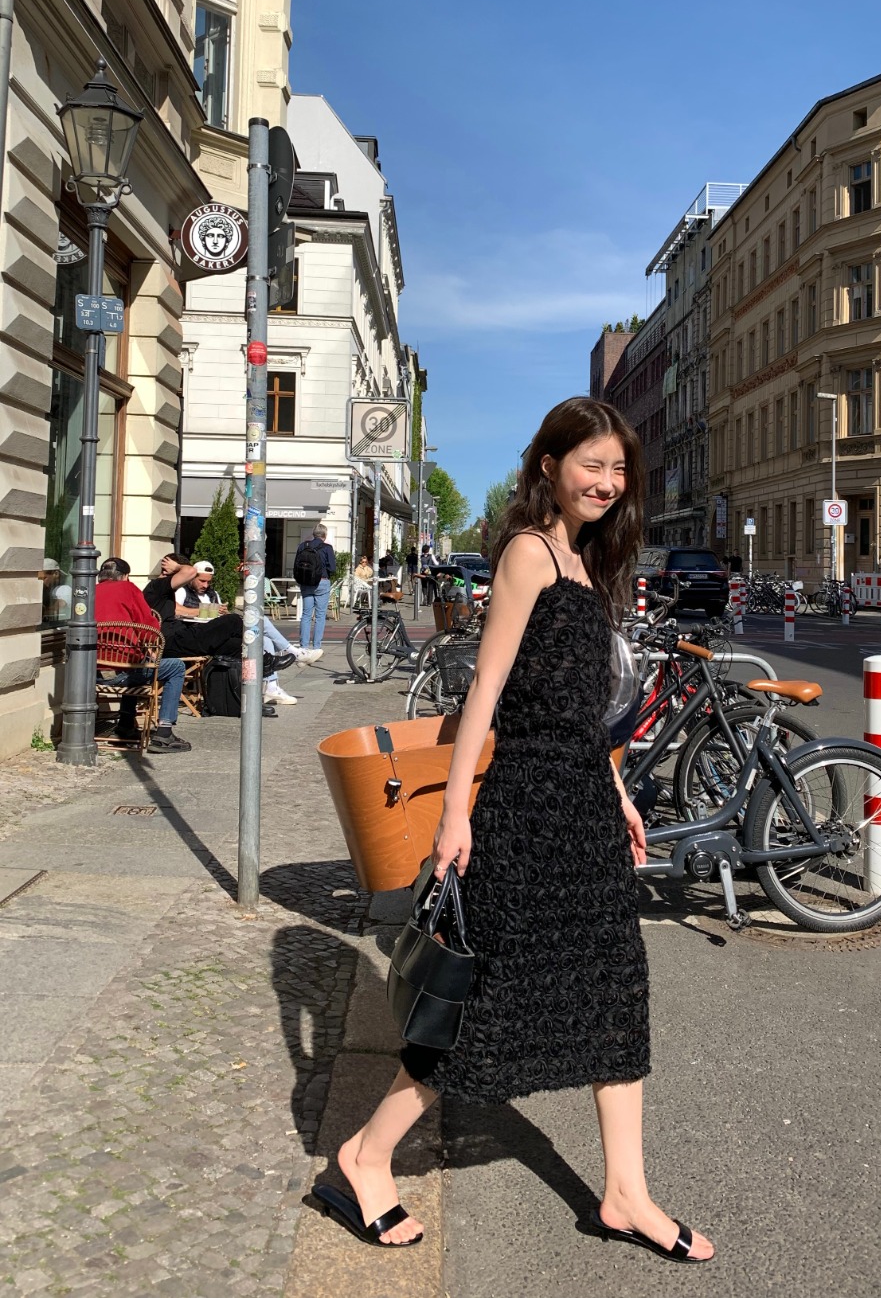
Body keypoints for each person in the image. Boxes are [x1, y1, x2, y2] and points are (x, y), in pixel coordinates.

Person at [316, 397, 714, 1264]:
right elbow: (485, 693)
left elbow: (583, 711)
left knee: (615, 989)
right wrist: (455, 813)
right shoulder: (531, 553)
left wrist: (618, 791)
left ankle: (625, 1191)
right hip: (526, 811)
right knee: (484, 998)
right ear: (549, 465)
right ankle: (365, 1156)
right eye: (591, 464)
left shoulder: (587, 562)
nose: (607, 482)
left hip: (583, 807)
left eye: (618, 469)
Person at [178, 561, 310, 705]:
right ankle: (292, 652)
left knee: (264, 640)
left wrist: (223, 612)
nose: (205, 585)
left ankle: (271, 686)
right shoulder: (182, 591)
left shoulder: (212, 594)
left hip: (218, 636)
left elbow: (221, 617)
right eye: (202, 581)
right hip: (198, 638)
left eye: (208, 582)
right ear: (192, 578)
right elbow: (176, 610)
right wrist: (202, 610)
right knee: (258, 621)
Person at [94, 558, 191, 752]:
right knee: (175, 667)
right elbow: (150, 630)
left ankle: (125, 725)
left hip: (93, 672)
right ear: (125, 576)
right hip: (123, 673)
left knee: (136, 661)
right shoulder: (128, 589)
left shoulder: (91, 591)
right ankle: (164, 733)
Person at [294, 524, 336, 651]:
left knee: (306, 615)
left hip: (306, 583)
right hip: (322, 582)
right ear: (324, 535)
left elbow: (296, 565)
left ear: (313, 534)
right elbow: (332, 568)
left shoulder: (303, 546)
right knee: (320, 615)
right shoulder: (327, 548)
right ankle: (317, 647)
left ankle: (304, 646)